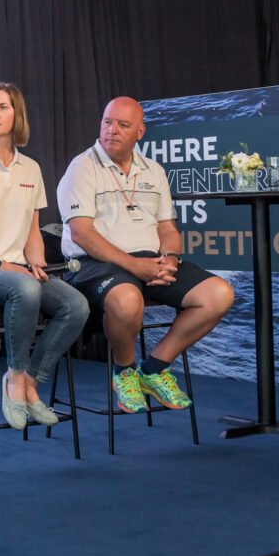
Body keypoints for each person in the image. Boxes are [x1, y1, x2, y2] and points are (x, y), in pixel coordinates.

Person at [57, 96, 235, 415]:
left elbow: (168, 228)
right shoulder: (81, 167)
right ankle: (124, 371)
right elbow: (82, 233)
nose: (112, 130)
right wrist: (136, 266)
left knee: (218, 294)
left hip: (148, 260)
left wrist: (169, 258)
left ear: (140, 132)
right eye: (107, 122)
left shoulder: (154, 170)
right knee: (127, 300)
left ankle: (153, 369)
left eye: (122, 125)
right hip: (95, 264)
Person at [0, 82, 89, 430]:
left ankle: (31, 384)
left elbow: (31, 230)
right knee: (23, 289)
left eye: (2, 107)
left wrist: (36, 262)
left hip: (17, 271)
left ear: (17, 114)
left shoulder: (31, 169)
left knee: (76, 306)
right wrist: (0, 264)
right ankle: (13, 377)